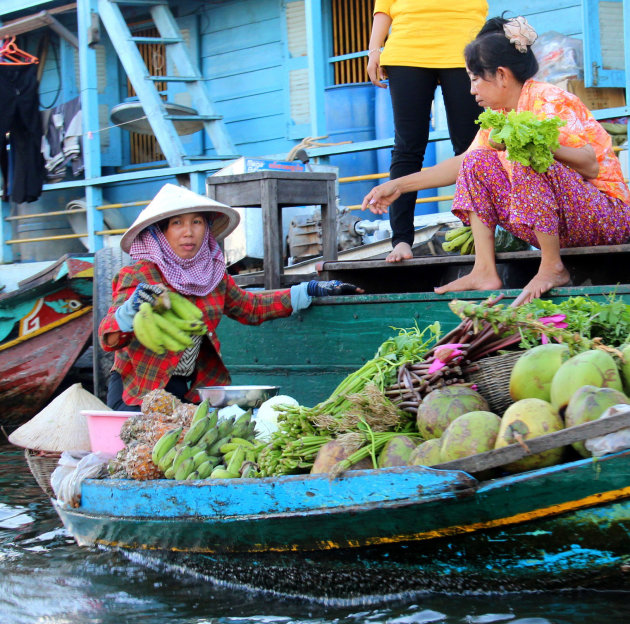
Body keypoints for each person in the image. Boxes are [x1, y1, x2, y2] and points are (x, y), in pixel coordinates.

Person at [362, 15, 630, 304]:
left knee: (526, 156)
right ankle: (484, 269)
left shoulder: (548, 99)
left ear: (501, 75)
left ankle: (552, 266)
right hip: (565, 223)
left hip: (606, 218)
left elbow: (590, 165)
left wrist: (538, 145)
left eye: (476, 79)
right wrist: (398, 185)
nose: (472, 90)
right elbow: (461, 164)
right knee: (475, 163)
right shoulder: (500, 115)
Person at [99, 183, 363, 411]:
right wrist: (129, 312)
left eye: (197, 222)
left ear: (207, 228)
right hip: (139, 389)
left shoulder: (214, 277)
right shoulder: (139, 276)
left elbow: (251, 307)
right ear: (161, 232)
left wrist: (308, 290)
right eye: (177, 223)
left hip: (189, 388)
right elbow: (108, 338)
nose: (188, 232)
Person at [367, 1, 488, 263]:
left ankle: (480, 237)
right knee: (408, 147)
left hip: (464, 45)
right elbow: (384, 6)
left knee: (472, 149)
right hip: (407, 48)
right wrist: (374, 49)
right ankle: (401, 240)